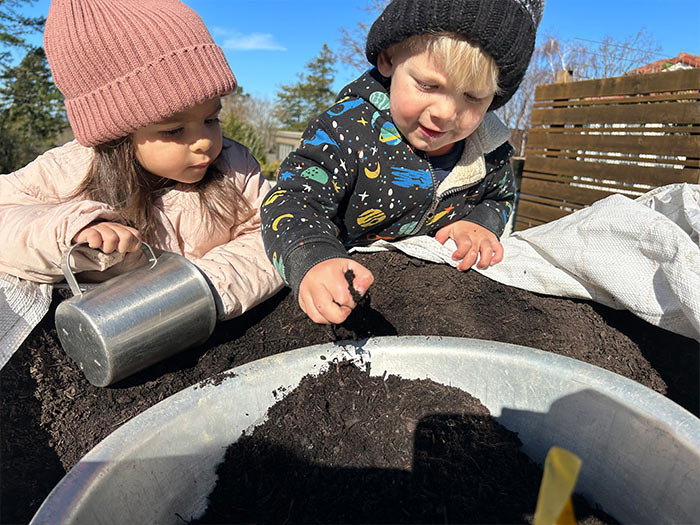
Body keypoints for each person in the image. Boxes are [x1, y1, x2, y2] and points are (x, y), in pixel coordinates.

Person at [261, 0, 544, 324]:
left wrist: (480, 222)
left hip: (427, 295)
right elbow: (290, 200)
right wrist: (313, 258)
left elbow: (501, 195)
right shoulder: (347, 131)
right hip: (344, 289)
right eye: (428, 85)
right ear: (388, 58)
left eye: (472, 97)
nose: (445, 112)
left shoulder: (488, 150)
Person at [0, 0, 283, 320]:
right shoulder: (69, 173)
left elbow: (271, 233)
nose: (204, 141)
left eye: (211, 120)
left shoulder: (234, 167)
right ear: (115, 133)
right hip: (114, 336)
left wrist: (201, 287)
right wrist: (70, 230)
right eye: (175, 129)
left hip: (212, 321)